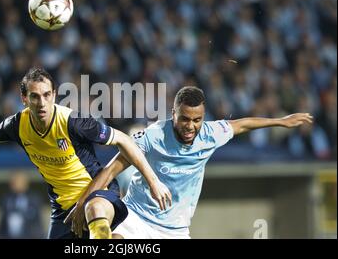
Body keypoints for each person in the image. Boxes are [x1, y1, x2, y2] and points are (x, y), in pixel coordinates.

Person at [0, 67, 171, 239]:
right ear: (24, 98)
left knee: (95, 212)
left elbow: (125, 141)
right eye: (35, 96)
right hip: (62, 209)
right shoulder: (18, 125)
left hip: (99, 191)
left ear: (54, 95)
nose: (42, 103)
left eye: (47, 95)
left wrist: (154, 181)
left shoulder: (74, 121)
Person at [65, 86, 314, 239]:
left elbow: (242, 124)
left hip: (175, 230)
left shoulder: (210, 134)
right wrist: (82, 202)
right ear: (173, 114)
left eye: (197, 120)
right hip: (137, 218)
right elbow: (111, 170)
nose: (191, 127)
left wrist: (281, 121)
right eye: (184, 119)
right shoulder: (153, 136)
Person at [0, 171, 45, 239]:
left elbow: (38, 222)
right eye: (13, 182)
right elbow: (2, 222)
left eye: (19, 182)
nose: (16, 184)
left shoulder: (33, 199)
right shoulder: (7, 199)